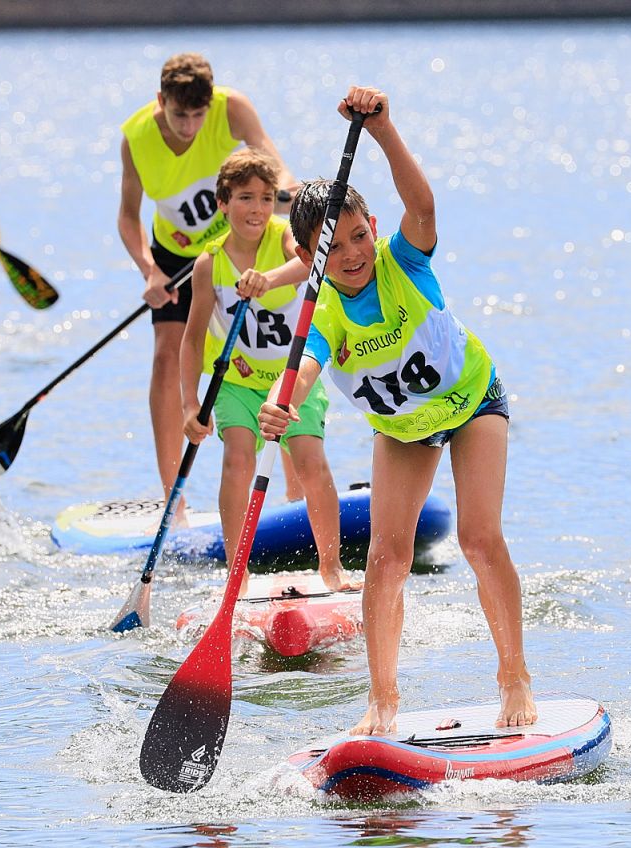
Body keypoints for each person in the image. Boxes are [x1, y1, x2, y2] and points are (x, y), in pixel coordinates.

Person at [258, 86, 537, 735]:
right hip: (403, 431)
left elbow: (423, 203)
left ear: (374, 230)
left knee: (478, 537)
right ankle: (381, 701)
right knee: (386, 558)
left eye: (360, 236)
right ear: (306, 260)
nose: (352, 254)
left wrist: (382, 130)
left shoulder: (403, 259)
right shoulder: (320, 312)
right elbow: (299, 373)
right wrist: (278, 406)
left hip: (471, 405)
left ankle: (514, 678)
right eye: (336, 248)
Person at [118, 53, 301, 523]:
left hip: (241, 239)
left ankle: (291, 496)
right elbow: (127, 215)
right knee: (167, 354)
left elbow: (271, 160)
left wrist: (288, 191)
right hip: (176, 256)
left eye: (199, 115)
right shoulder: (136, 137)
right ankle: (172, 500)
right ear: (162, 102)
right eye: (180, 114)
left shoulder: (232, 107)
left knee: (268, 350)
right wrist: (149, 271)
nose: (191, 125)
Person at [180, 148, 359, 596]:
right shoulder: (209, 263)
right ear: (223, 203)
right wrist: (189, 403)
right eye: (244, 198)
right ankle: (236, 575)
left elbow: (310, 264)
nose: (256, 208)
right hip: (237, 383)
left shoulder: (283, 237)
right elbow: (191, 337)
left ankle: (332, 569)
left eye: (264, 198)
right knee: (237, 459)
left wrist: (270, 279)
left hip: (293, 377)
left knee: (310, 462)